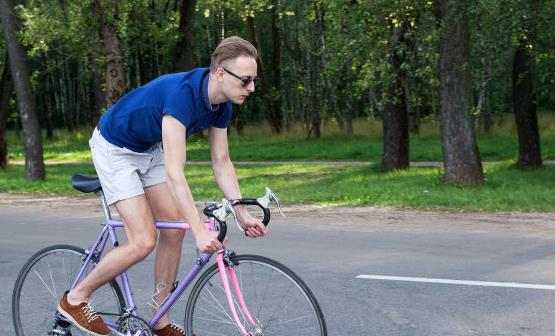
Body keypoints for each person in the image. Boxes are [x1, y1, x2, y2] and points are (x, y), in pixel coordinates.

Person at [57, 36, 267, 336]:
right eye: (246, 80)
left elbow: (221, 162)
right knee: (143, 240)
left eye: (254, 80)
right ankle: (75, 299)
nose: (252, 88)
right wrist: (198, 230)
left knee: (173, 227)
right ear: (221, 73)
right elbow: (174, 173)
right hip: (115, 147)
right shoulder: (183, 96)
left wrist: (242, 213)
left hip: (147, 148)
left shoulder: (222, 105)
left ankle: (160, 319)